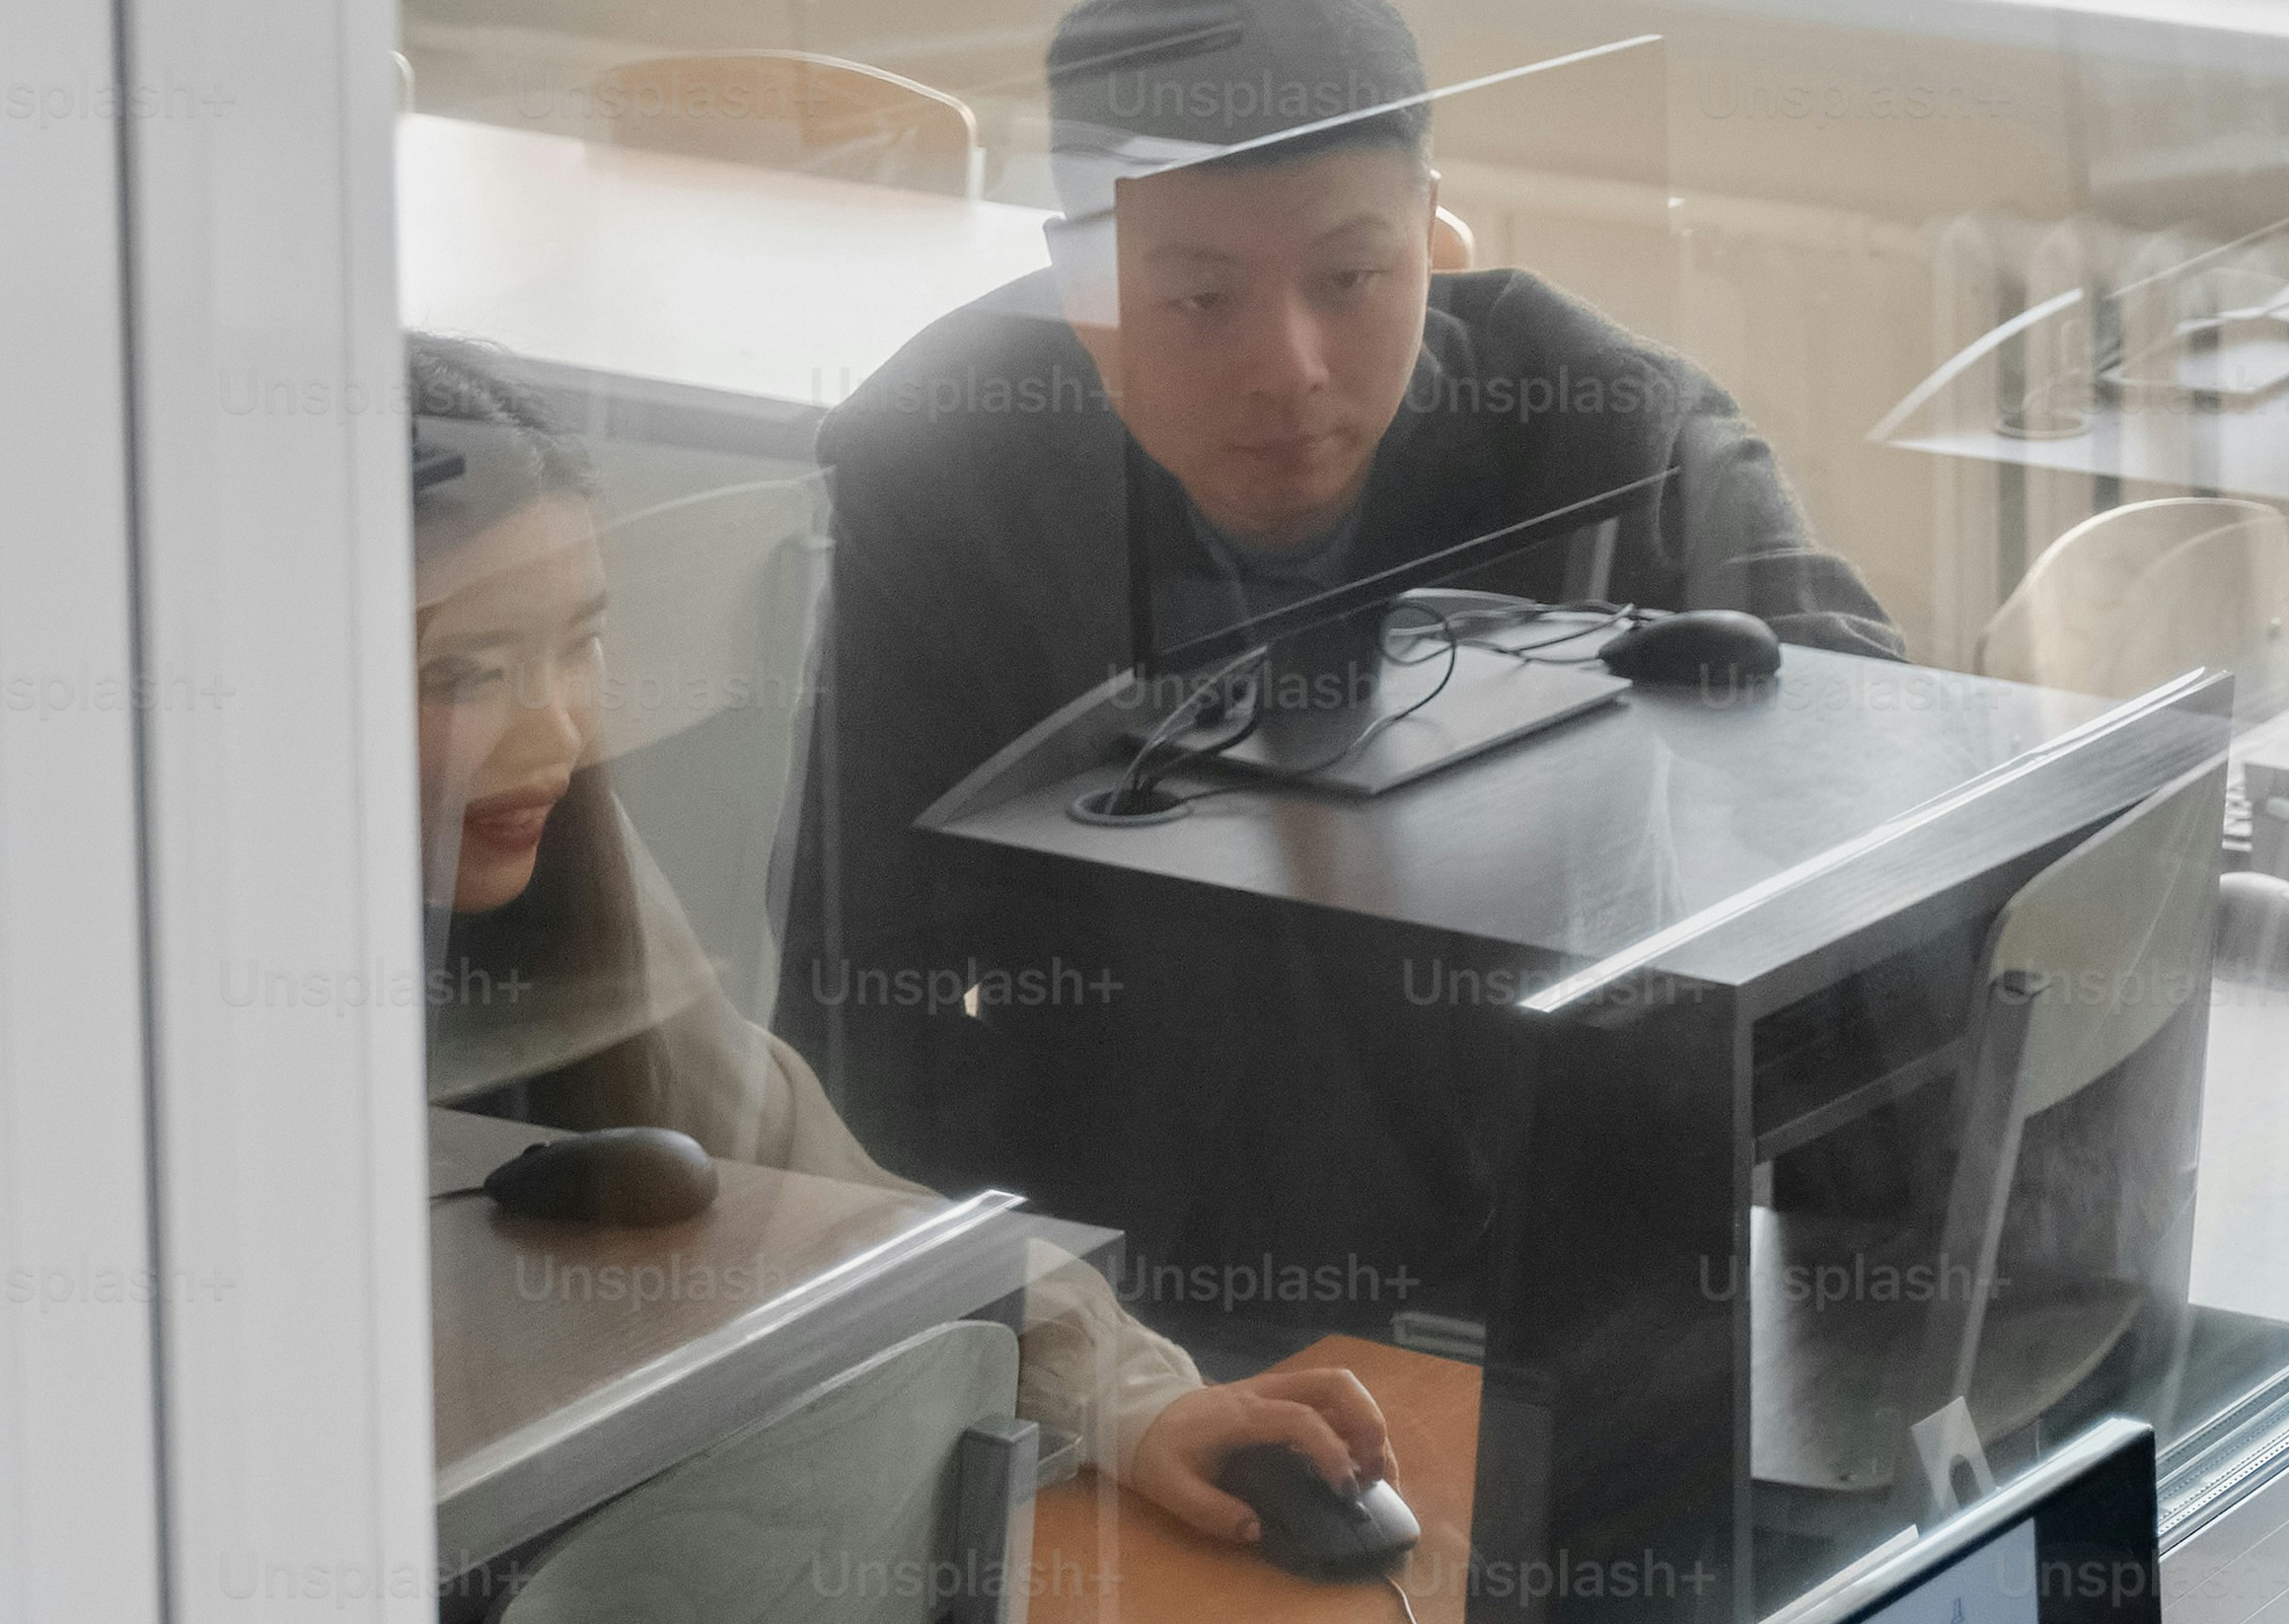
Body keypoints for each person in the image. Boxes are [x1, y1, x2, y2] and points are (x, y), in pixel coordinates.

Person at [777, 0, 1901, 1329]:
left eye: (1351, 278)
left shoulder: (1601, 425)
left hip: (1551, 1237)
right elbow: (857, 978)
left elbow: (1870, 771)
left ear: (1434, 235)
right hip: (1120, 1257)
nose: (1287, 369)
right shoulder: (935, 466)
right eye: (1197, 296)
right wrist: (1037, 1330)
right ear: (1081, 279)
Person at [413, 339, 1389, 1542]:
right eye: (464, 672)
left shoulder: (563, 845)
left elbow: (819, 1198)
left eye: (578, 644)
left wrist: (1135, 1406)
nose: (555, 728)